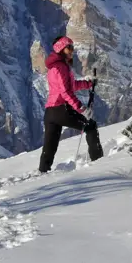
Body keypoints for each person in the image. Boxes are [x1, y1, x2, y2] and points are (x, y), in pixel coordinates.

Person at [39, 36, 102, 173]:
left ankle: (42, 173)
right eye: (69, 47)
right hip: (61, 109)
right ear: (61, 49)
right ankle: (100, 164)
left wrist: (88, 82)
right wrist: (81, 109)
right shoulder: (61, 67)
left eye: (72, 47)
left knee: (49, 147)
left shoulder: (54, 67)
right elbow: (66, 92)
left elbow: (71, 85)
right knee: (90, 126)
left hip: (50, 112)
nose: (72, 51)